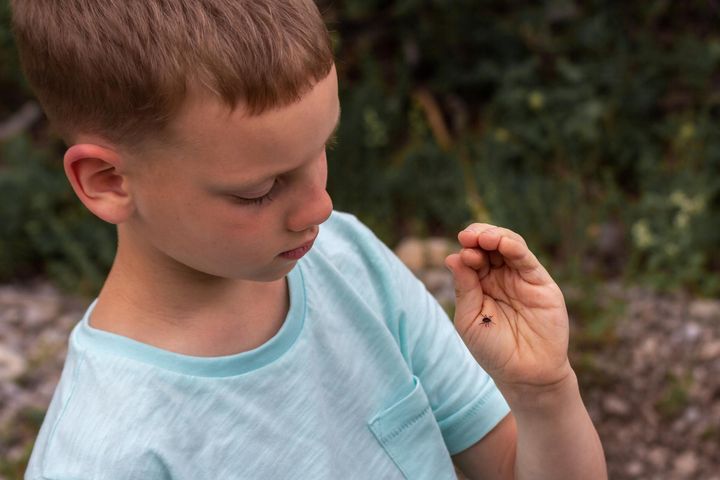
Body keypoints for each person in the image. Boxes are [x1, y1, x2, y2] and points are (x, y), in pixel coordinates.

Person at [12, 1, 607, 479]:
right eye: (261, 189)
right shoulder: (107, 452)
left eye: (322, 148)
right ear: (109, 182)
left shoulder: (348, 260)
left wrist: (543, 394)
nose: (320, 206)